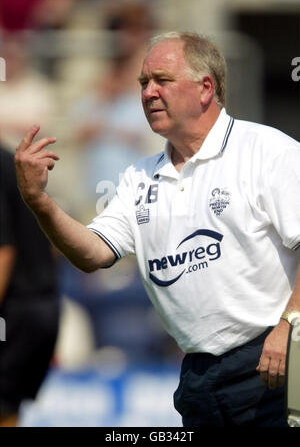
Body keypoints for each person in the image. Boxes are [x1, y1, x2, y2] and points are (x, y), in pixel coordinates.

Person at [14, 31, 300, 427]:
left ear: (205, 89)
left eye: (162, 80)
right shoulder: (138, 176)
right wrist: (39, 202)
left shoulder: (267, 152)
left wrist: (290, 326)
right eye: (143, 83)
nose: (148, 93)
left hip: (275, 363)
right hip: (199, 375)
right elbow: (93, 252)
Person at [0, 144, 59, 427]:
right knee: (7, 406)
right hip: (40, 306)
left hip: (13, 311)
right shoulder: (8, 160)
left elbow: (2, 252)